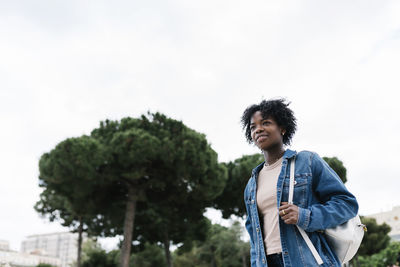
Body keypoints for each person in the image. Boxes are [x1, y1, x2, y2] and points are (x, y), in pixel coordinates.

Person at [242, 99, 359, 267]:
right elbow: (254, 236)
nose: (258, 129)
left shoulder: (307, 161)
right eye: (253, 127)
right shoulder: (252, 184)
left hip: (307, 260)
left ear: (282, 128)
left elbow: (347, 204)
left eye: (266, 123)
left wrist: (305, 215)